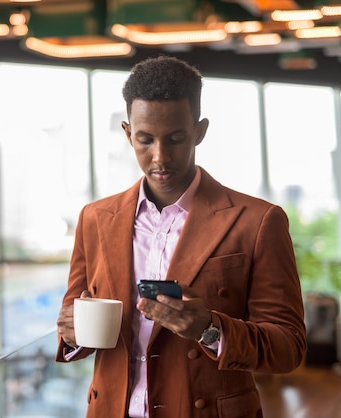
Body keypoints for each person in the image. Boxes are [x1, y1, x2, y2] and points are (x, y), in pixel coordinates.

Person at [55, 55, 306, 418]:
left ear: (200, 131)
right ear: (127, 133)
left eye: (175, 139)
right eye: (144, 140)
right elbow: (73, 318)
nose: (160, 157)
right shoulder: (95, 219)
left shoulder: (259, 221)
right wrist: (71, 333)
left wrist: (209, 328)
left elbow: (288, 347)